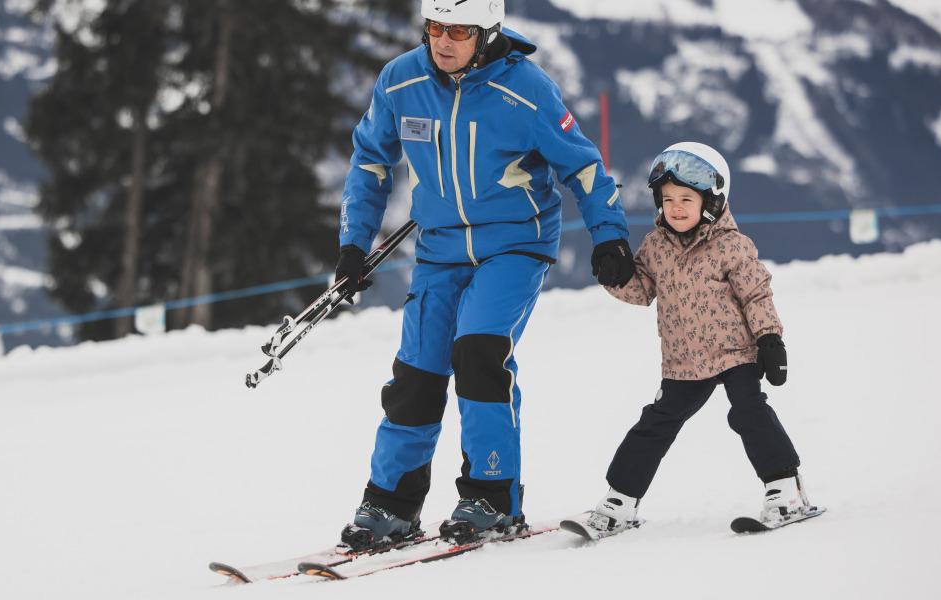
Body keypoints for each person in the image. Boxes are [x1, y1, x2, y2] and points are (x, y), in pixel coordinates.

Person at [333, 0, 633, 550]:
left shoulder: (526, 88)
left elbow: (582, 164)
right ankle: (391, 503)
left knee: (478, 354)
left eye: (458, 32)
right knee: (416, 374)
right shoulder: (402, 81)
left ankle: (492, 498)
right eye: (435, 28)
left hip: (516, 245)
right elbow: (370, 161)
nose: (443, 42)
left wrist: (608, 234)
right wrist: (354, 246)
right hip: (440, 249)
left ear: (487, 32)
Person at [567, 142, 819, 538]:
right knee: (655, 424)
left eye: (687, 198)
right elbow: (642, 291)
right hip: (684, 360)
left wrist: (770, 339)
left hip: (736, 352)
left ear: (713, 200)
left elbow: (756, 294)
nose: (676, 207)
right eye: (668, 199)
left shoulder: (732, 246)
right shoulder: (656, 247)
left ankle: (785, 489)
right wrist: (615, 275)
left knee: (748, 413)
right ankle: (620, 500)